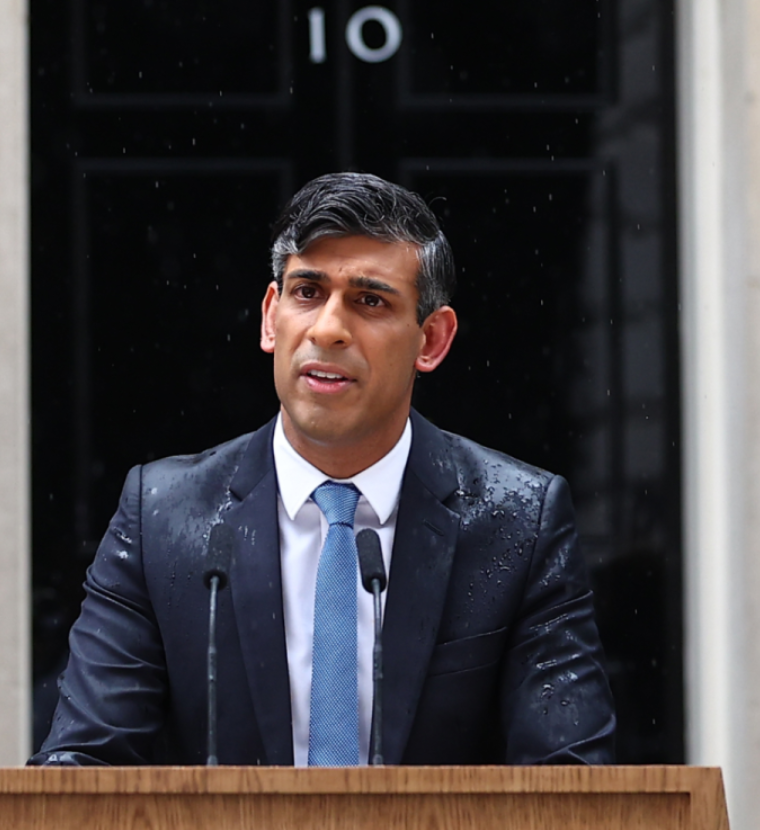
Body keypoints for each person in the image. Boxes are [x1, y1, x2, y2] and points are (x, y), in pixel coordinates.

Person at [31, 172, 615, 766]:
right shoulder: (162, 517)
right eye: (307, 292)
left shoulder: (520, 522)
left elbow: (571, 783)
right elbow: (81, 770)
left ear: (431, 340)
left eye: (370, 301)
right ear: (270, 317)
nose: (328, 329)